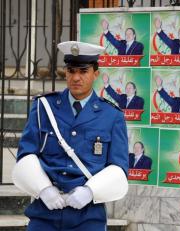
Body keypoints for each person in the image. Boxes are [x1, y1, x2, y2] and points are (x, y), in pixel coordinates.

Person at [12, 41, 129, 231]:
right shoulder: (44, 107)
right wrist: (44, 189)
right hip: (45, 212)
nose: (76, 77)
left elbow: (119, 166)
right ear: (65, 73)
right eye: (71, 71)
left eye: (83, 71)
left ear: (95, 73)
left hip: (88, 216)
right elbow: (26, 154)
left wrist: (90, 192)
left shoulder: (112, 116)